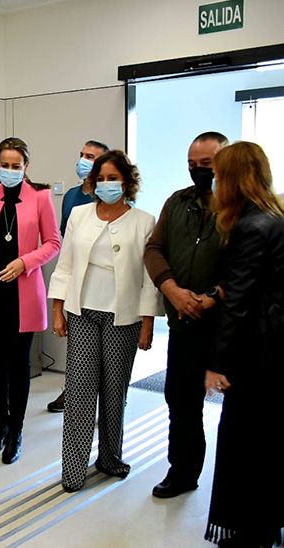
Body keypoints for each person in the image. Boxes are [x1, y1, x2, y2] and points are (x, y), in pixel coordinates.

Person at [48, 150, 160, 491]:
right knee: (80, 392)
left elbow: (148, 278)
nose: (106, 184)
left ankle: (110, 457)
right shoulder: (79, 216)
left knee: (114, 392)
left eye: (114, 178)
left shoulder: (143, 221)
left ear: (127, 182)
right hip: (82, 312)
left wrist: (148, 322)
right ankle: (73, 468)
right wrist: (57, 309)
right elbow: (64, 265)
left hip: (123, 318)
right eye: (101, 178)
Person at [203, 142, 284, 547]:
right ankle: (267, 525)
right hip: (274, 349)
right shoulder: (274, 215)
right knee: (269, 443)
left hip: (257, 354)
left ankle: (252, 531)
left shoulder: (250, 227)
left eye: (218, 176)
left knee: (246, 443)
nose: (214, 183)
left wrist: (217, 363)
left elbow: (240, 304)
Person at [144, 131, 227, 499]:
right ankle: (183, 471)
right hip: (182, 322)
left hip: (227, 325)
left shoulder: (239, 207)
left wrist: (212, 296)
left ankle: (236, 487)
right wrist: (172, 290)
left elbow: (248, 264)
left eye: (206, 165)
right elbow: (154, 249)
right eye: (192, 165)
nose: (198, 172)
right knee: (180, 399)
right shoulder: (177, 202)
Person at [0, 137, 61, 464]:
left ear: (26, 167)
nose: (9, 171)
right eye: (4, 166)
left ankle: (17, 430)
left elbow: (53, 242)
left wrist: (27, 261)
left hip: (21, 291)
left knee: (18, 366)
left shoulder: (40, 197)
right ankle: (0, 425)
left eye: (15, 166)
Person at [48, 139, 110, 413]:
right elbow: (66, 239)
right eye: (82, 154)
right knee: (77, 349)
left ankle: (108, 404)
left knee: (107, 355)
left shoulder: (112, 195)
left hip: (106, 285)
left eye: (91, 156)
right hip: (76, 280)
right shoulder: (72, 196)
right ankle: (72, 391)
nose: (84, 160)